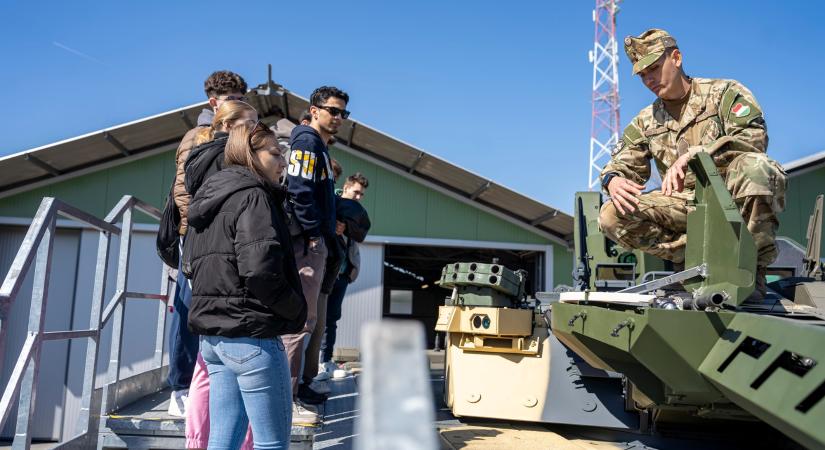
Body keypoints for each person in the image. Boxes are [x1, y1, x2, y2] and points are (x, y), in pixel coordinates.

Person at [599, 29, 786, 299]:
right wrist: (613, 179)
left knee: (759, 169)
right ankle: (693, 266)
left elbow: (754, 138)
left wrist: (698, 155)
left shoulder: (724, 94)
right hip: (684, 207)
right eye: (642, 75)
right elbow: (623, 164)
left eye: (653, 68)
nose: (649, 79)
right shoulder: (646, 121)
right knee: (611, 214)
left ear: (676, 58)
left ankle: (748, 272)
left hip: (728, 199)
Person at [183, 122, 306, 450]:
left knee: (223, 439)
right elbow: (260, 270)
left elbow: (190, 265)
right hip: (252, 337)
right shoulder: (254, 196)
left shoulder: (209, 195)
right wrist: (295, 308)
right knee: (271, 443)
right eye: (276, 154)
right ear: (250, 155)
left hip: (214, 339)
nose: (283, 162)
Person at [167, 70, 249, 418]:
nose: (242, 104)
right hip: (198, 234)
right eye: (235, 99)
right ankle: (180, 387)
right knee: (187, 306)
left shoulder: (237, 133)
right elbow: (183, 190)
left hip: (225, 236)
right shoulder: (198, 136)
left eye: (244, 98)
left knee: (214, 306)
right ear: (214, 101)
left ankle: (208, 382)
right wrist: (195, 229)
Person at [182, 99, 258, 450]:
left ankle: (198, 440)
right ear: (228, 126)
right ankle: (238, 441)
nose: (255, 130)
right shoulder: (225, 159)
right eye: (250, 123)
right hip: (226, 265)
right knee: (231, 368)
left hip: (204, 263)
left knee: (207, 366)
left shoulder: (198, 157)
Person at [281, 86, 349, 422]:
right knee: (299, 323)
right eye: (333, 111)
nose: (338, 118)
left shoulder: (317, 145)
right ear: (315, 110)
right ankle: (285, 399)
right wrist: (312, 235)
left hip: (316, 241)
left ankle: (295, 388)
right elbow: (299, 190)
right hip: (307, 243)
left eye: (343, 113)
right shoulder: (307, 141)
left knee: (309, 322)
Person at [317, 173, 370, 379]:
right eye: (356, 192)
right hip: (325, 271)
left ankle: (326, 361)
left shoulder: (355, 214)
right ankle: (315, 362)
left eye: (362, 195)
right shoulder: (331, 203)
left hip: (342, 274)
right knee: (319, 317)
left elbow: (358, 237)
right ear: (346, 188)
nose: (358, 197)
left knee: (332, 318)